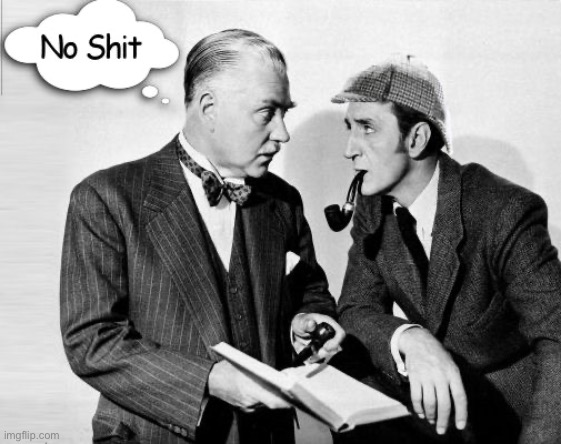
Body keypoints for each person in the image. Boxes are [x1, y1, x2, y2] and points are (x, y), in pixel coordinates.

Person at [60, 29, 344, 444]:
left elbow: (310, 293)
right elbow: (91, 342)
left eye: (285, 113)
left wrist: (308, 321)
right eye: (267, 112)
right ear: (209, 108)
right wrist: (209, 380)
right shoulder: (106, 197)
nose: (283, 133)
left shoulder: (283, 201)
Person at [331, 56, 561, 443]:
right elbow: (355, 308)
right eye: (349, 128)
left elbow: (557, 337)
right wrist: (410, 337)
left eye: (367, 128)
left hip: (509, 415)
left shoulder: (504, 209)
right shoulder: (372, 209)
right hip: (438, 407)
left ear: (417, 138)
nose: (349, 149)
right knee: (345, 368)